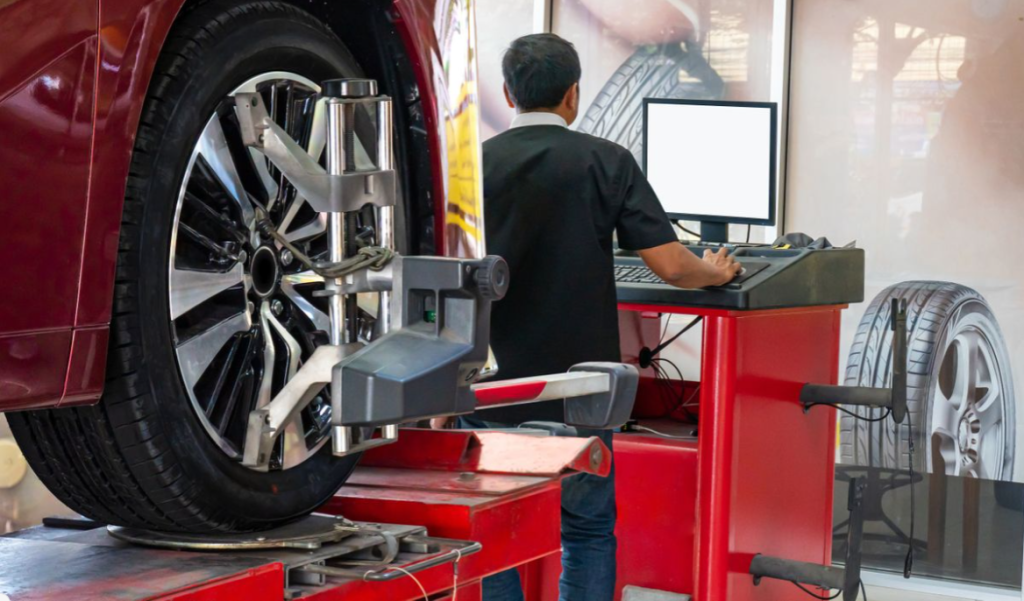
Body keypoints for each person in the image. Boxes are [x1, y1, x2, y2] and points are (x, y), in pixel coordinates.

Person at [465, 33, 741, 601]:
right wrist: (714, 271)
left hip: (492, 389)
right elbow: (672, 267)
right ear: (573, 94)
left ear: (508, 94)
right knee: (586, 530)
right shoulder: (605, 161)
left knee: (495, 533)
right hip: (580, 392)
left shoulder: (471, 167)